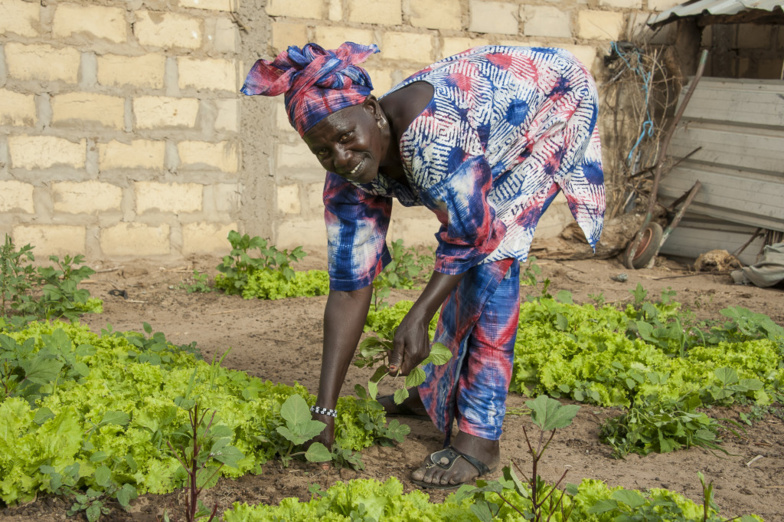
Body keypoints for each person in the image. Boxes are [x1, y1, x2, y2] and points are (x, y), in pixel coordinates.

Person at [241, 42, 605, 489]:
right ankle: (431, 392)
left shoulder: (432, 136)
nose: (340, 158)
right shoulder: (347, 176)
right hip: (488, 118)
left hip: (553, 102)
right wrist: (323, 412)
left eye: (344, 136)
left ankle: (480, 439)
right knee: (467, 257)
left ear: (373, 110)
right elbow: (350, 283)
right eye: (323, 151)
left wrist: (417, 317)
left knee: (492, 264)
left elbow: (472, 236)